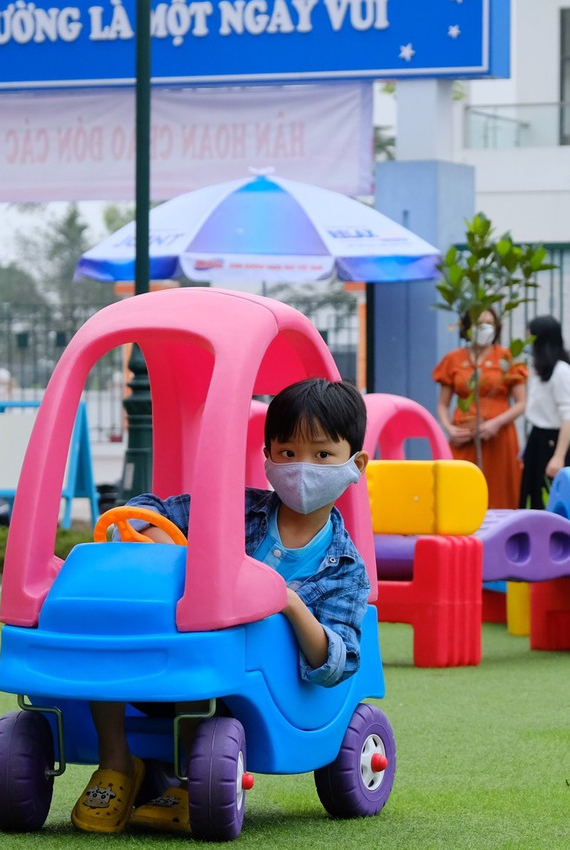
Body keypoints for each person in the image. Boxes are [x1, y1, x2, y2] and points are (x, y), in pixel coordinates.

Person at [71, 378, 372, 835]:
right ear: (268, 456)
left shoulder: (345, 568)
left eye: (322, 455)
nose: (302, 468)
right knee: (109, 618)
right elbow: (145, 510)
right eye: (288, 452)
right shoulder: (234, 509)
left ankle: (191, 779)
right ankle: (116, 763)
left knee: (207, 637)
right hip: (156, 658)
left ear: (356, 464)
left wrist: (289, 603)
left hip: (246, 695)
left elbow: (337, 662)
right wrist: (169, 548)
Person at [432, 307, 528, 508]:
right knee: (459, 492)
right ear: (468, 326)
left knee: (500, 493)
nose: (485, 328)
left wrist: (496, 423)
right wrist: (448, 428)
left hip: (499, 437)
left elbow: (521, 403)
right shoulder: (453, 359)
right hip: (463, 436)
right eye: (479, 323)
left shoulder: (506, 357)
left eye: (490, 323)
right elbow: (442, 404)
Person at [519, 315, 570, 510]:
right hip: (537, 438)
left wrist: (559, 456)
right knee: (532, 496)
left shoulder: (561, 372)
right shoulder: (541, 370)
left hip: (553, 442)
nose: (527, 342)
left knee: (550, 499)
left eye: (530, 337)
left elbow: (569, 416)